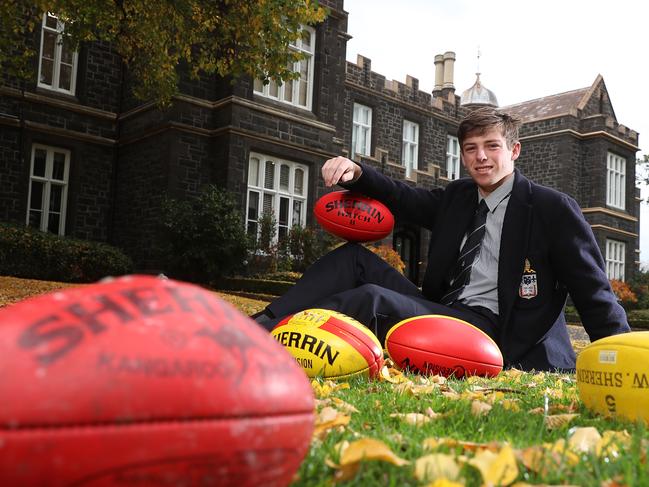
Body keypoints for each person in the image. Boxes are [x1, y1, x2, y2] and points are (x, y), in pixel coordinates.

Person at [252, 107, 630, 371]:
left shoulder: (550, 209)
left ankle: (276, 348)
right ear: (463, 155)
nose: (481, 157)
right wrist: (356, 173)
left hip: (491, 333)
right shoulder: (458, 197)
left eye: (492, 146)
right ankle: (258, 329)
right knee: (353, 259)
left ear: (514, 151)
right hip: (444, 310)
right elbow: (402, 196)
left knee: (372, 299)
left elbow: (594, 293)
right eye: (471, 149)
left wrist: (624, 358)